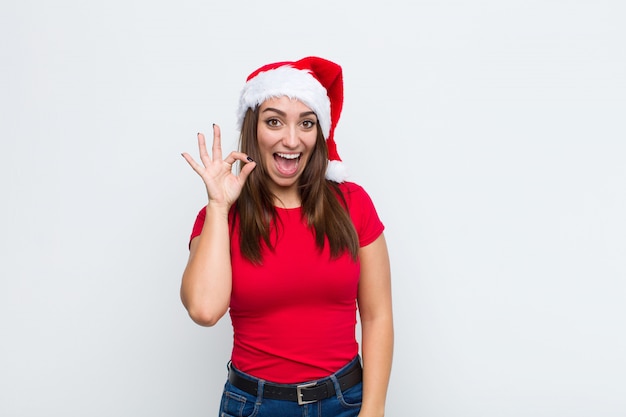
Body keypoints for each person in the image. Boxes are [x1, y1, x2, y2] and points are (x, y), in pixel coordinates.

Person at [180, 56, 393, 417]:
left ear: (319, 132)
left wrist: (373, 410)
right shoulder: (219, 217)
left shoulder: (353, 203)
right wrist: (218, 206)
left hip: (345, 402)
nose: (291, 140)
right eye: (274, 121)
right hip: (253, 405)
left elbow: (377, 316)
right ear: (253, 128)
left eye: (306, 123)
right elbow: (203, 310)